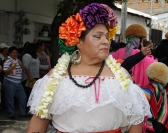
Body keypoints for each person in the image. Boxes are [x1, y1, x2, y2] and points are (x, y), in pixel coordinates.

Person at [26, 3, 151, 133]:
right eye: (98, 36)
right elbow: (38, 124)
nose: (105, 41)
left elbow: (135, 120)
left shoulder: (121, 76)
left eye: (107, 37)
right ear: (78, 41)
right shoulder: (56, 77)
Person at [142, 62, 168, 133]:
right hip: (162, 120)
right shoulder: (163, 89)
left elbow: (141, 99)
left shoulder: (149, 89)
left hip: (154, 122)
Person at [22, 43, 49, 108]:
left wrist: (47, 67)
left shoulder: (35, 56)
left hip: (36, 77)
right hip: (29, 78)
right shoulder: (27, 56)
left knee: (34, 93)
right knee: (29, 93)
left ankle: (30, 107)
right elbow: (26, 66)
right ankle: (26, 108)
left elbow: (38, 66)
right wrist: (30, 76)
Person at [3, 46, 27, 119]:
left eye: (16, 52)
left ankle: (22, 113)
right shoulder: (8, 61)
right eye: (13, 52)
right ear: (9, 53)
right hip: (10, 82)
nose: (15, 54)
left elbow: (22, 71)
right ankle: (11, 114)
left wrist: (22, 66)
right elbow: (5, 72)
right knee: (10, 98)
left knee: (23, 97)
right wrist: (12, 67)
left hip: (18, 83)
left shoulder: (18, 60)